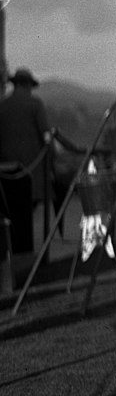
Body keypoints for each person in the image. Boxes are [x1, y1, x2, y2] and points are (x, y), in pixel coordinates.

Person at [0, 67, 52, 255]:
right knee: (26, 213)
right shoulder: (35, 105)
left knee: (11, 214)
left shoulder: (3, 106)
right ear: (28, 85)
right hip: (31, 172)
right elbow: (46, 134)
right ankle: (25, 257)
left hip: (5, 173)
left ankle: (13, 255)